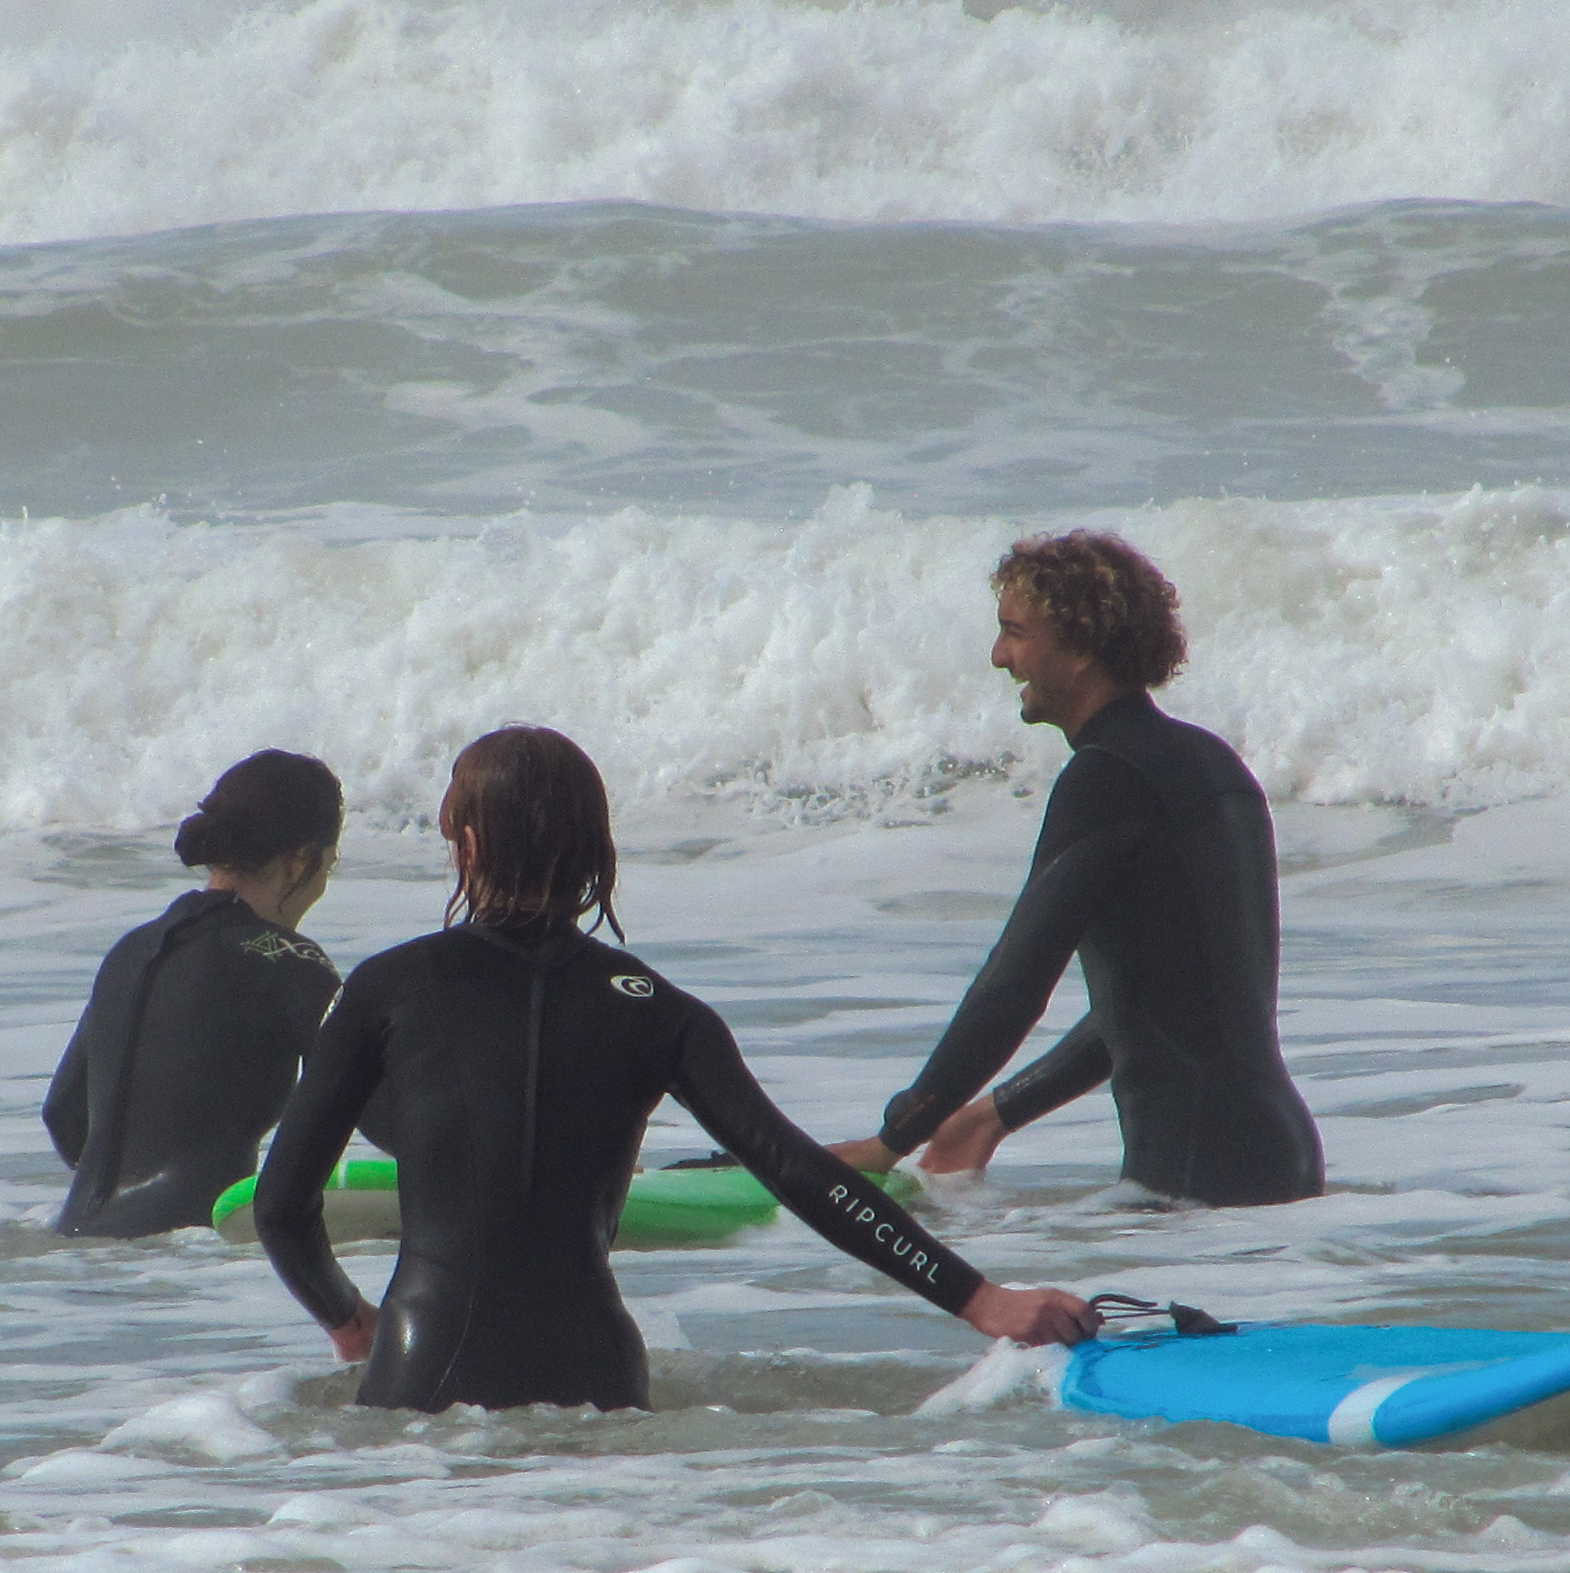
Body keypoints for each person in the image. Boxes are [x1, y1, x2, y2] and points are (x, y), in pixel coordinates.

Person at [255, 725, 1096, 1411]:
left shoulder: (387, 989)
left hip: (423, 1370)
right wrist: (981, 1299)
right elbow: (800, 1173)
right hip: (599, 1378)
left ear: (468, 845)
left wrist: (348, 1320)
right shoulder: (659, 1010)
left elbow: (282, 1204)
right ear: (596, 849)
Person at [829, 530, 1325, 1206]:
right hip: (1274, 1158)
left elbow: (1014, 985)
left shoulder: (1106, 779)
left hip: (1195, 1181)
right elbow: (1164, 1004)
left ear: (1084, 645)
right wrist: (991, 1113)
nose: (999, 656)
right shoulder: (1209, 763)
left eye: (1015, 633)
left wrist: (897, 1135)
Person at [44, 750, 353, 1238]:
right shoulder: (289, 959)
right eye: (327, 869)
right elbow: (364, 1096)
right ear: (299, 862)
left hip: (79, 1243)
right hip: (189, 1255)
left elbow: (62, 1114)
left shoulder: (132, 950)